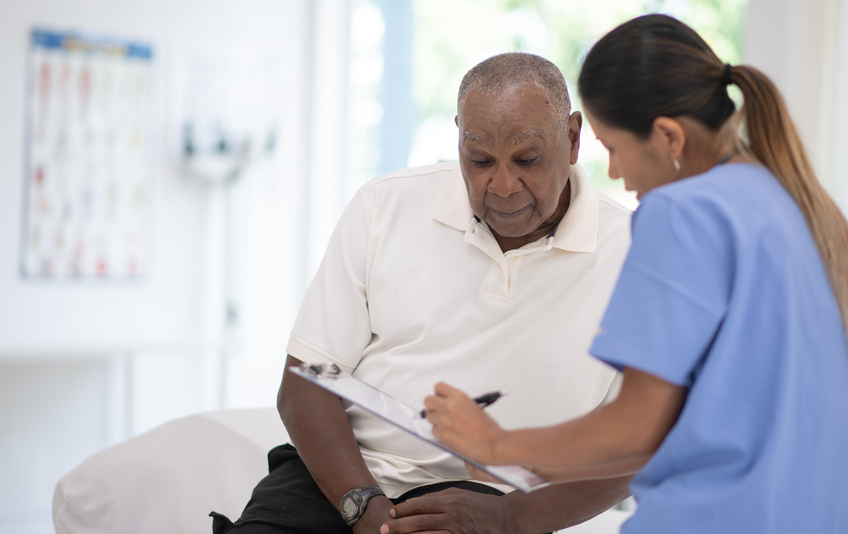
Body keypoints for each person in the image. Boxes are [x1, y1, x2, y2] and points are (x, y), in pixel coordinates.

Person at [424, 14, 848, 534]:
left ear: (668, 137)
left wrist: (494, 444)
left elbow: (639, 428)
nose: (616, 174)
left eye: (615, 149)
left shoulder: (683, 212)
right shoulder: (790, 201)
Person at [210, 53, 633, 534]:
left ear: (573, 138)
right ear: (458, 138)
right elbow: (306, 381)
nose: (503, 185)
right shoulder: (383, 207)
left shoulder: (636, 254)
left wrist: (517, 516)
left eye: (527, 160)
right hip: (344, 482)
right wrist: (363, 507)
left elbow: (643, 442)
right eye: (479, 161)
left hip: (490, 499)